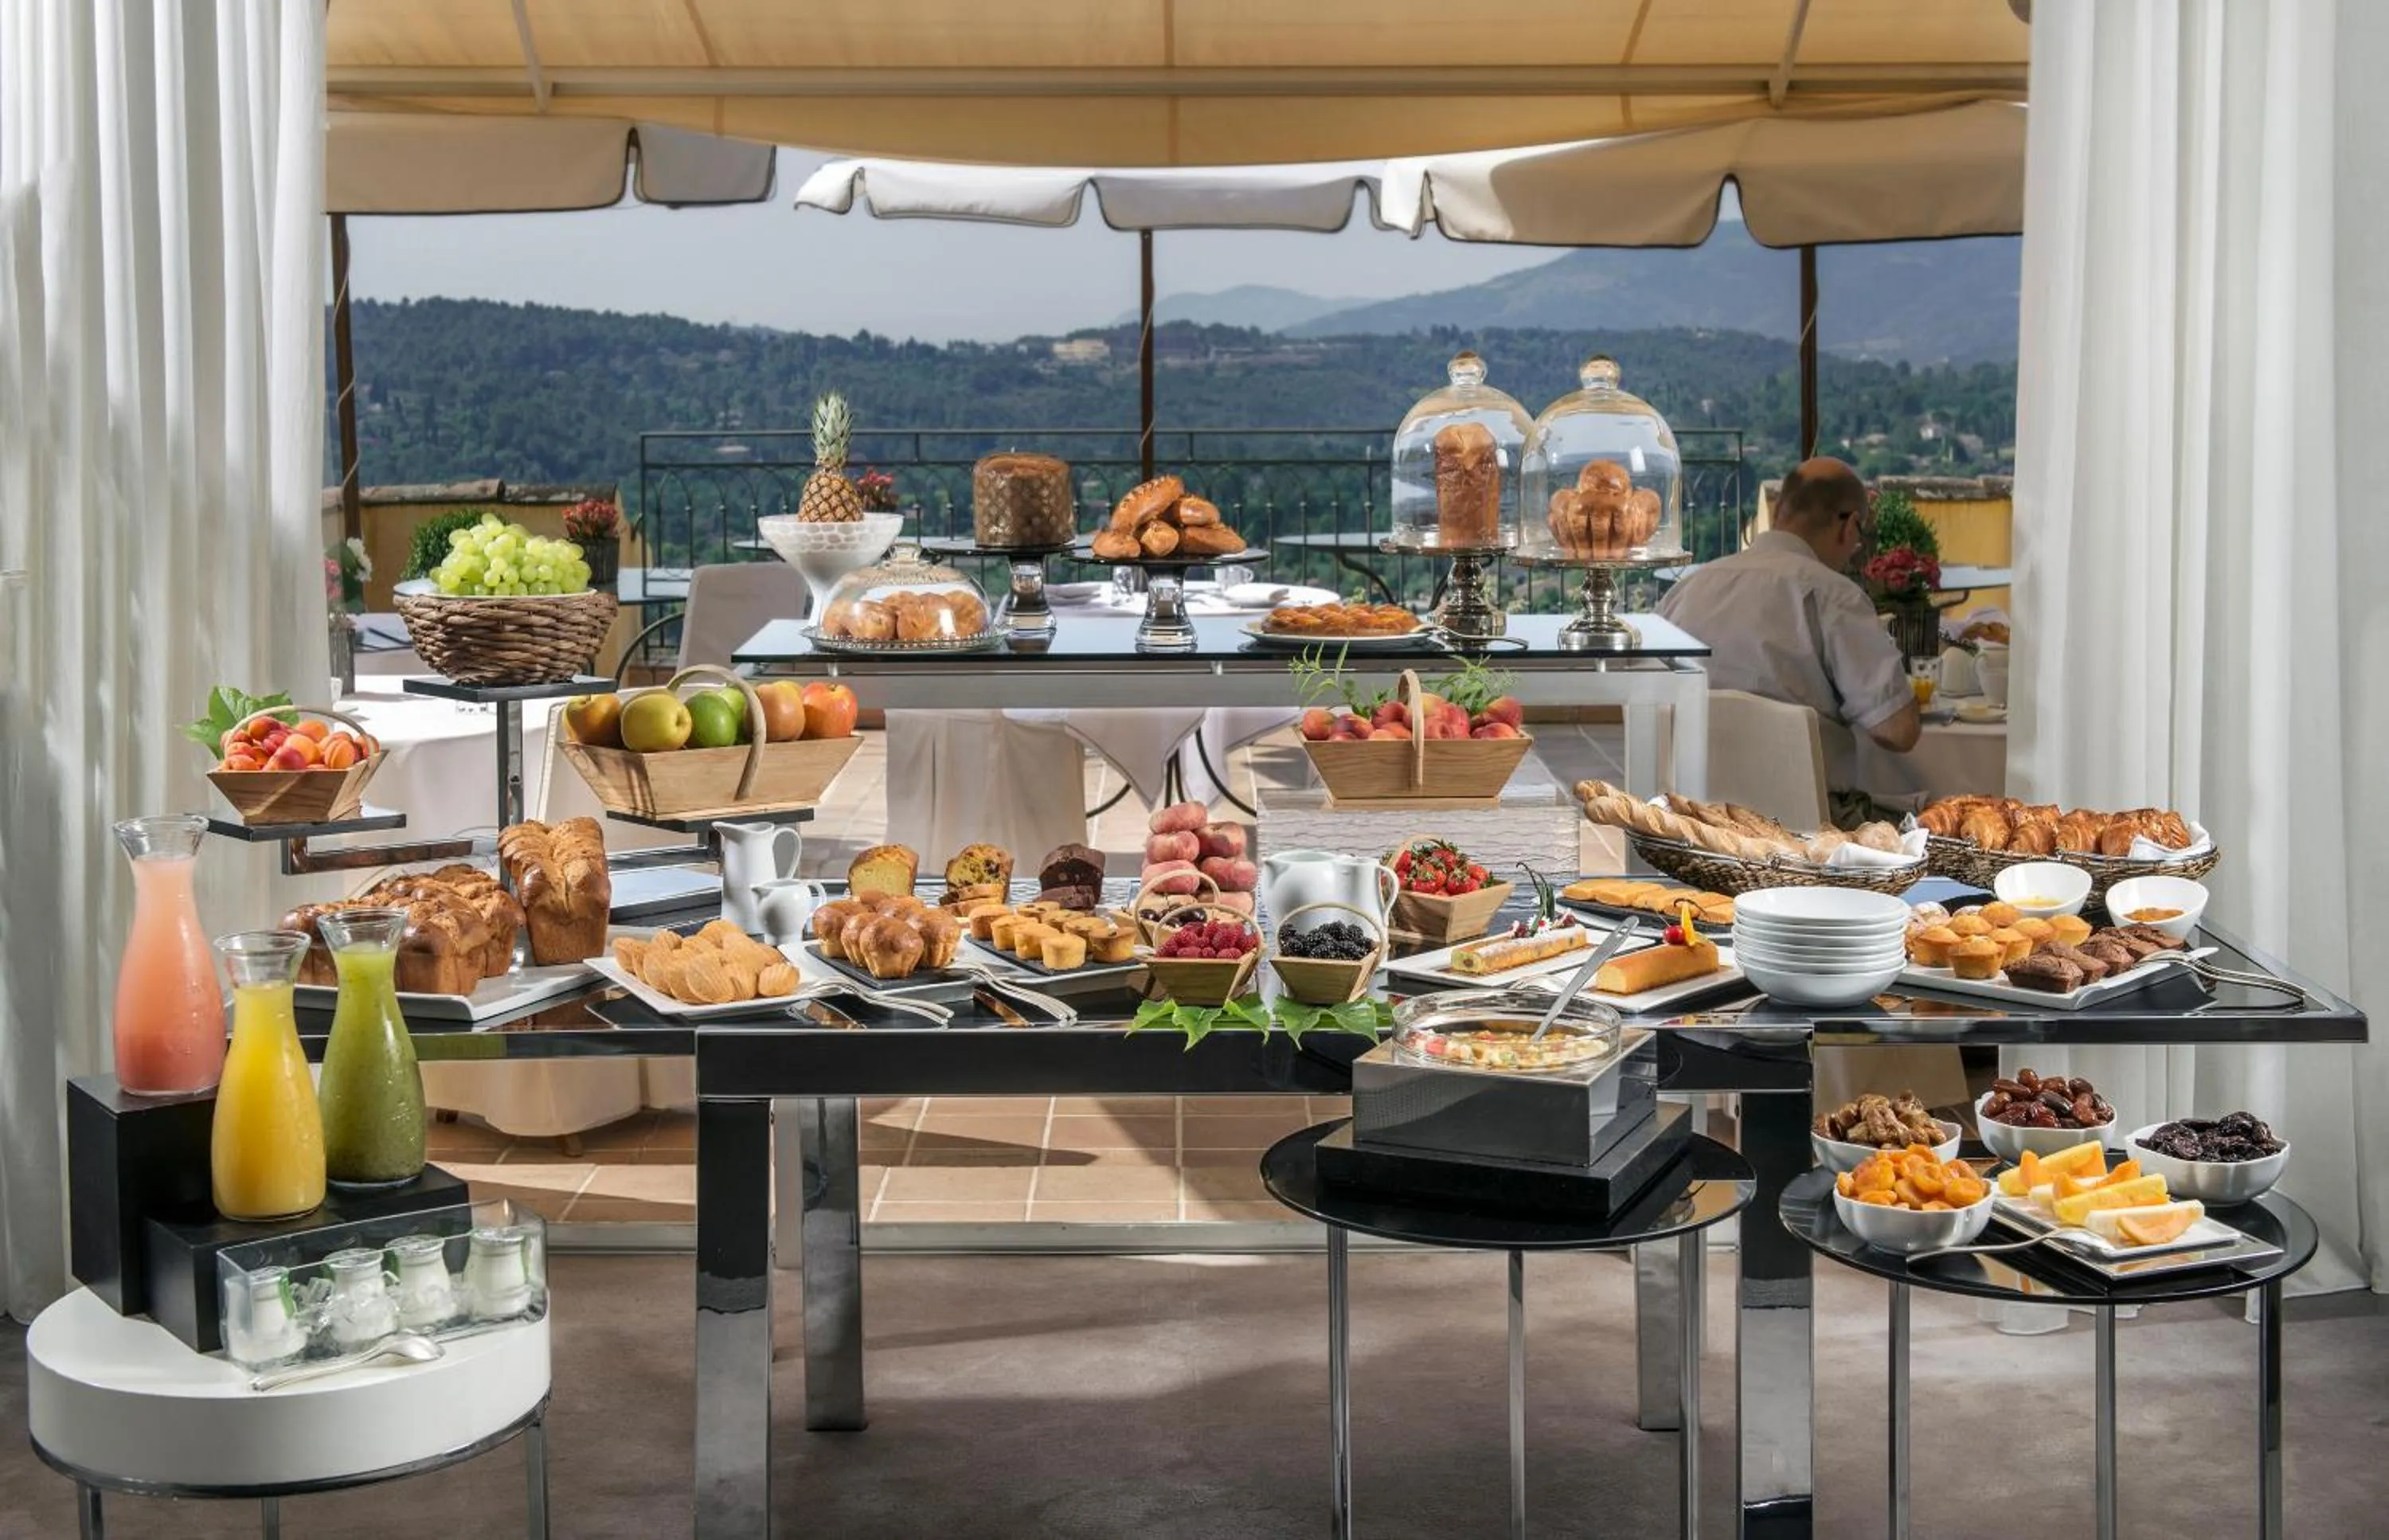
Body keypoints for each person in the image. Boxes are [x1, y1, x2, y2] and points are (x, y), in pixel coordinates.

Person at [1657, 457, 1920, 827]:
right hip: (1809, 830)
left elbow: (1650, 701)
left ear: (1780, 510)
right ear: (1848, 525)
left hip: (1692, 821)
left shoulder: (1686, 590)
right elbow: (1897, 731)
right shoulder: (1833, 596)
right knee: (1933, 821)